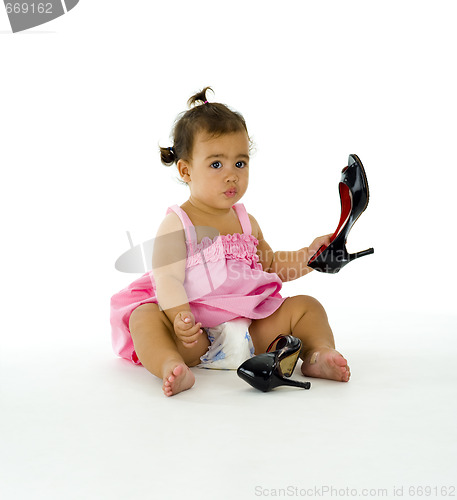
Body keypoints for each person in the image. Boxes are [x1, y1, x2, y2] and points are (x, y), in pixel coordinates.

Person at [110, 87, 351, 397]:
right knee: (144, 318)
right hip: (197, 337)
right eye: (216, 164)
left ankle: (318, 354)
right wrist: (179, 317)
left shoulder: (246, 222)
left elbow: (272, 265)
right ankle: (171, 365)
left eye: (240, 164)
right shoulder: (179, 223)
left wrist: (312, 256)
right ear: (186, 170)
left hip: (253, 329)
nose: (231, 176)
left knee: (307, 307)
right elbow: (166, 278)